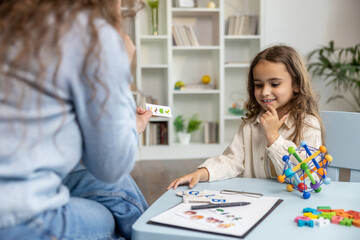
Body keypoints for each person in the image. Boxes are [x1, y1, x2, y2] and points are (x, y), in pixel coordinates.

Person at [0, 0, 152, 240]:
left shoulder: (10, 23)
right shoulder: (91, 35)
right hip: (20, 217)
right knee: (111, 216)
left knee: (118, 187)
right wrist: (119, 62)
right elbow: (111, 165)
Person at [168, 45, 325, 190]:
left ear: (296, 85)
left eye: (275, 84)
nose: (264, 92)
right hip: (255, 201)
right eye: (258, 85)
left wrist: (274, 137)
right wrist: (202, 173)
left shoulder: (308, 124)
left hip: (294, 202)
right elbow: (231, 161)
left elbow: (305, 176)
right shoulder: (251, 124)